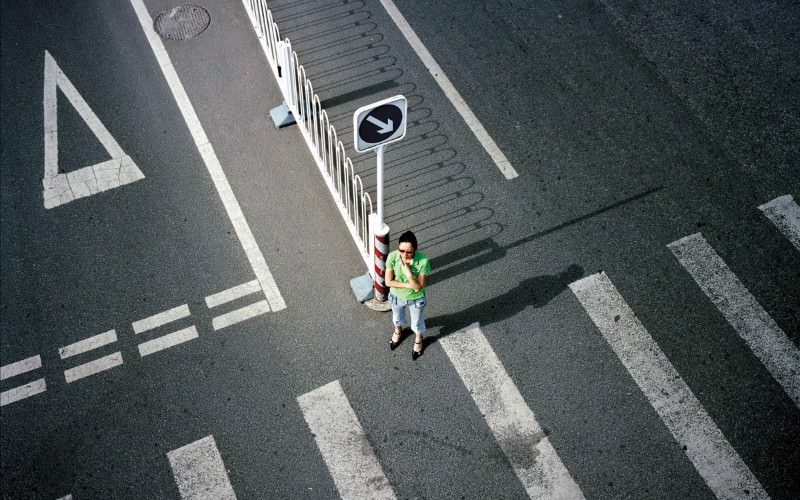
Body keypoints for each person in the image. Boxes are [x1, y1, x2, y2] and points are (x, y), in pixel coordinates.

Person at [386, 231, 430, 360]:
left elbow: (418, 288)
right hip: (396, 296)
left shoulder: (423, 261)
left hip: (416, 299)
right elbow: (388, 282)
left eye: (409, 252)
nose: (405, 254)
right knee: (397, 318)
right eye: (402, 250)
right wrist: (409, 285)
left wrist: (409, 274)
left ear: (415, 250)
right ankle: (398, 331)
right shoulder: (393, 257)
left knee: (417, 323)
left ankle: (418, 339)